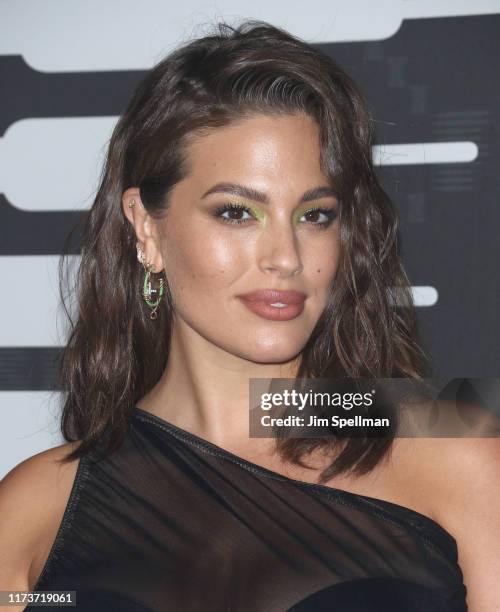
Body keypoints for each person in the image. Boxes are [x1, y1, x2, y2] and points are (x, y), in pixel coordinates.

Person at [0, 19, 498, 612]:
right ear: (146, 226)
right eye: (237, 213)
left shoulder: (454, 442)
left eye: (315, 215)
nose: (286, 258)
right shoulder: (36, 506)